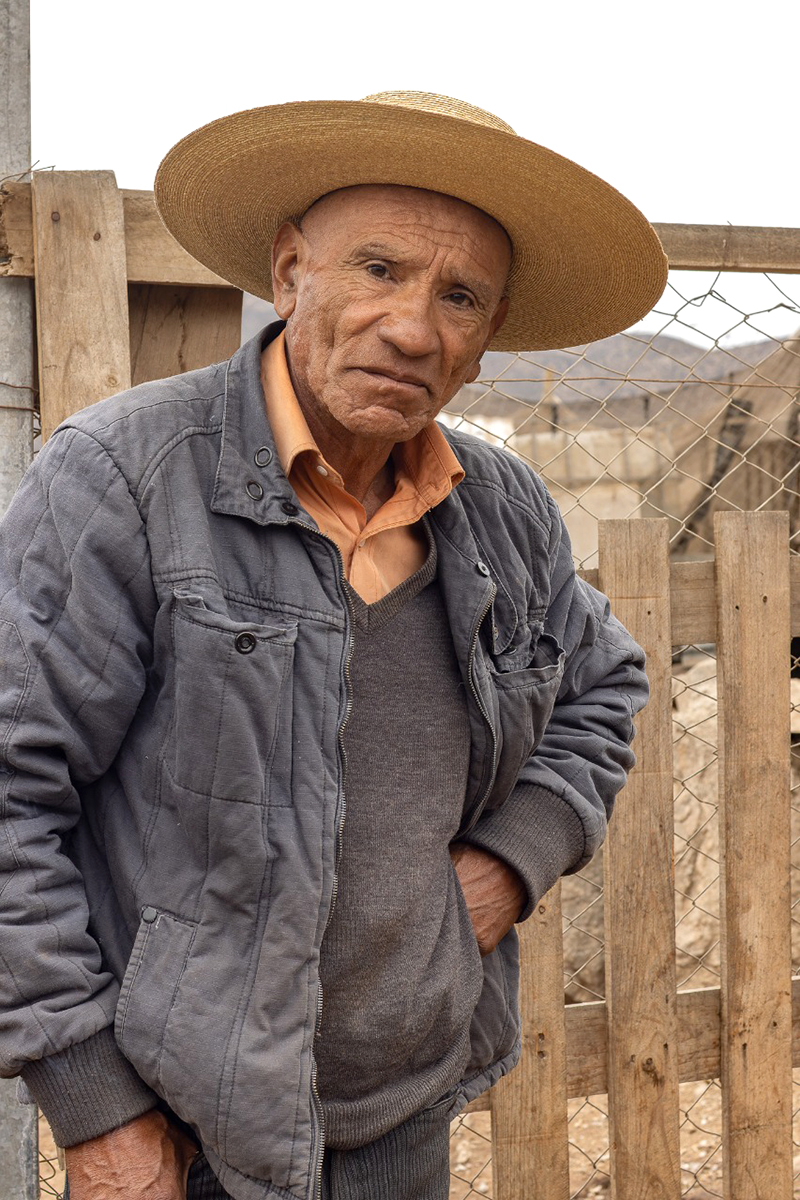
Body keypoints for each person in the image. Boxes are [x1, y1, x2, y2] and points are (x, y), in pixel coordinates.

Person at [0, 92, 664, 1200]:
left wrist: (509, 861)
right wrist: (97, 1113)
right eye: (376, 269)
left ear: (486, 338)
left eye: (458, 295)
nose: (413, 327)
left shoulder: (499, 509)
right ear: (287, 269)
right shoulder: (127, 475)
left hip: (404, 1112)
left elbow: (604, 687)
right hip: (179, 1139)